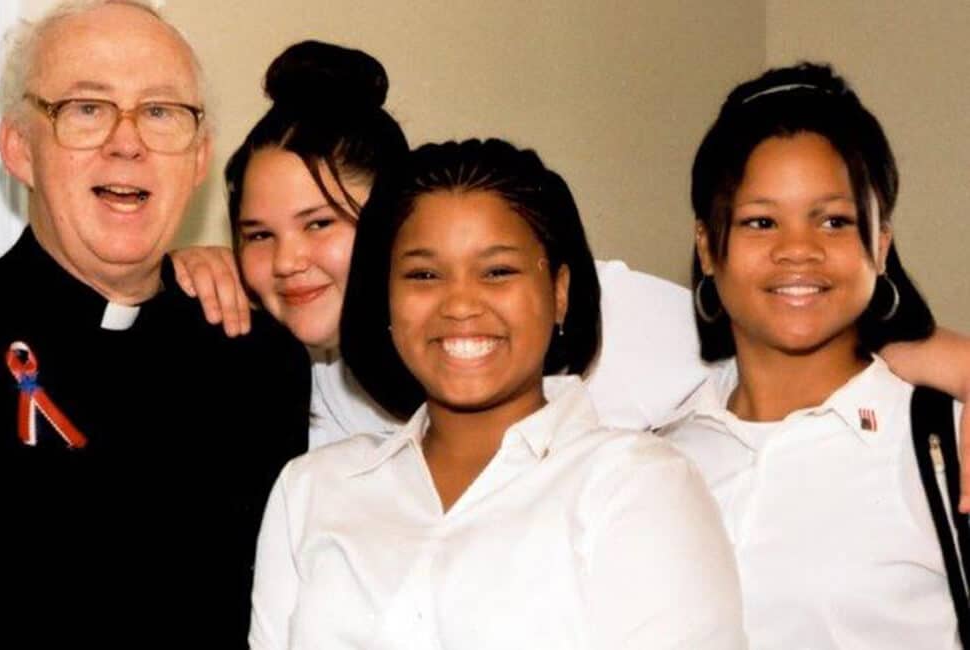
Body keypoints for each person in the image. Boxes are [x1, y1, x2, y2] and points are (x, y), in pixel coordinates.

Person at [0, 0, 311, 645]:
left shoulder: (261, 363)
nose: (127, 142)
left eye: (160, 112)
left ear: (199, 158)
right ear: (19, 149)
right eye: (87, 109)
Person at [250, 138, 744, 649]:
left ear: (559, 292)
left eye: (497, 272)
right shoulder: (311, 489)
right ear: (385, 300)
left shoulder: (636, 485)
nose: (460, 304)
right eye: (424, 275)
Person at [175, 40, 705, 446]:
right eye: (259, 235)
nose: (287, 261)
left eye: (320, 224)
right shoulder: (314, 391)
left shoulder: (604, 316)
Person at [661, 62, 960, 649]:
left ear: (880, 244)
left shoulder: (942, 441)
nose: (798, 250)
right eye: (761, 221)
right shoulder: (656, 449)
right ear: (708, 246)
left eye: (834, 221)